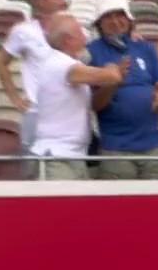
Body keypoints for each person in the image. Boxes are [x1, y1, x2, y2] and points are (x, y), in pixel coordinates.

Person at [29, 13, 127, 180]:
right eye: (80, 33)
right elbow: (111, 76)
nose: (85, 37)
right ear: (68, 40)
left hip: (73, 155)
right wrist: (112, 67)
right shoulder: (60, 63)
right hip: (56, 157)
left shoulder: (65, 63)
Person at [87, 0, 158, 180]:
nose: (115, 21)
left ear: (129, 19)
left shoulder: (145, 48)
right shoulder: (92, 51)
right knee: (119, 207)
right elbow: (94, 105)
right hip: (115, 148)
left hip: (153, 145)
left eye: (120, 15)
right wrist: (113, 82)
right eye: (108, 16)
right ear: (99, 23)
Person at [0, 0, 67, 150]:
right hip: (37, 111)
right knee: (33, 166)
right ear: (40, 1)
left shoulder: (74, 30)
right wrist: (15, 98)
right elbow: (1, 63)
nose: (63, 2)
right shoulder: (23, 31)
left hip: (67, 111)